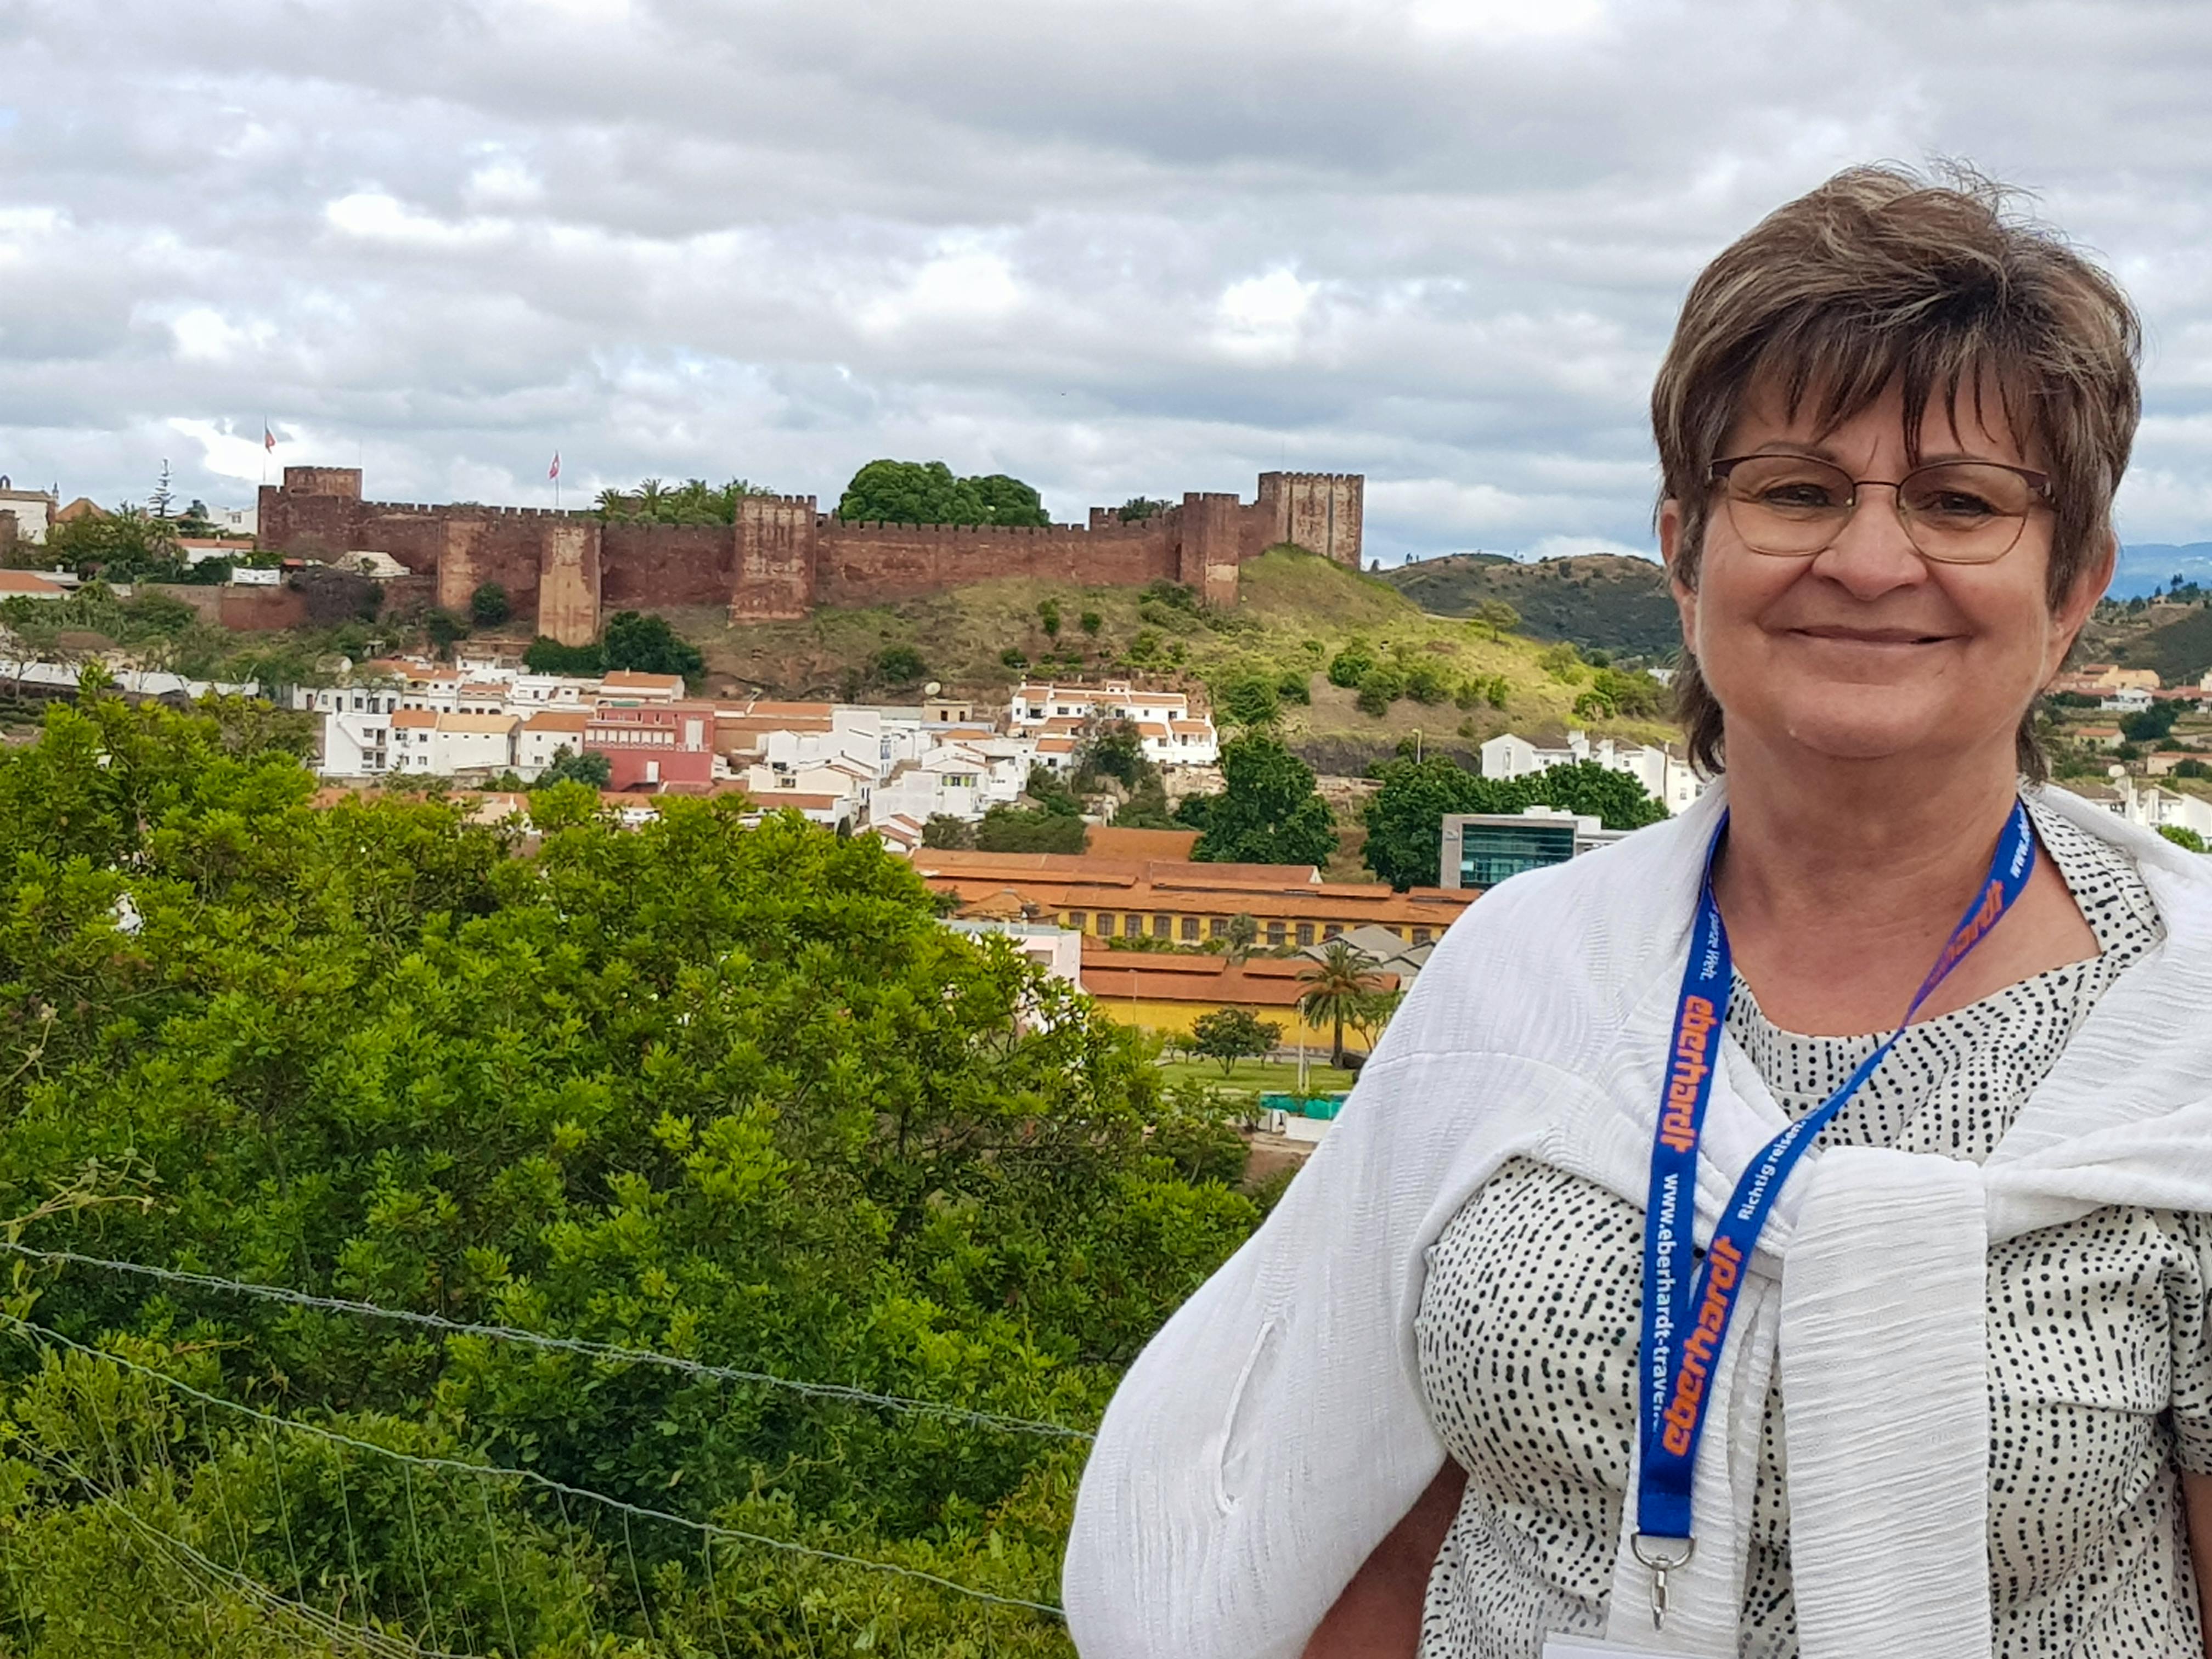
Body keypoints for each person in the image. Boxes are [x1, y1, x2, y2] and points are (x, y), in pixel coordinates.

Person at [1062, 166, 2212, 1659]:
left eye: (1960, 503)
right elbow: (1360, 1512)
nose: (1869, 560)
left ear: (2072, 592)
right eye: (1796, 489)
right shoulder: (1525, 977)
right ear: (1685, 551)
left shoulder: (2181, 1038)